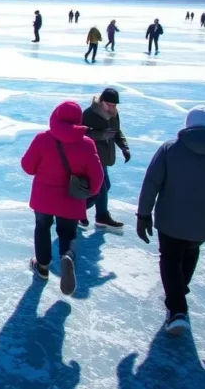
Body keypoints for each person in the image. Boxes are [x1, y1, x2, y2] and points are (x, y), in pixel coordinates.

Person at [136, 106, 205, 335]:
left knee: (170, 258)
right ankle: (179, 291)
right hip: (204, 225)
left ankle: (177, 309)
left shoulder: (169, 149)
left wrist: (143, 214)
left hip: (169, 221)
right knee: (190, 251)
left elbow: (151, 182)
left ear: (188, 123)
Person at [21, 101, 104, 295]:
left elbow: (27, 166)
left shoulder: (42, 139)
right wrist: (88, 195)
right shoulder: (86, 143)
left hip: (43, 198)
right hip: (71, 200)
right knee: (67, 233)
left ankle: (42, 267)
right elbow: (98, 178)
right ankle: (67, 256)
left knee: (42, 228)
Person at [82, 88, 130, 229]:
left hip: (104, 158)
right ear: (101, 102)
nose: (112, 108)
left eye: (115, 105)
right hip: (91, 158)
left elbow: (117, 131)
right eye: (109, 104)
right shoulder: (89, 114)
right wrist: (100, 135)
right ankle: (99, 215)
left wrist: (124, 147)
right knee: (100, 188)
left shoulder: (113, 113)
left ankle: (77, 212)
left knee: (105, 186)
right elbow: (80, 133)